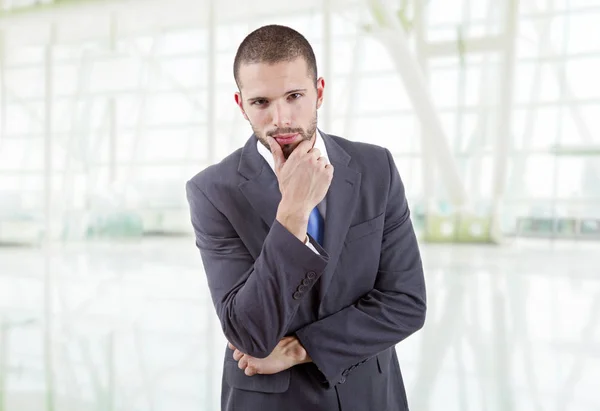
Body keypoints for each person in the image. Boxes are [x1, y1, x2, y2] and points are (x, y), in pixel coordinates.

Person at [185, 24, 426, 411]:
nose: (280, 118)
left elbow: (406, 303)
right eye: (261, 102)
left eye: (294, 96)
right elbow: (249, 333)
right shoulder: (212, 191)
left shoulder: (376, 167)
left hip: (371, 396)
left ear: (319, 92)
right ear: (240, 103)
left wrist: (301, 349)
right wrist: (292, 215)